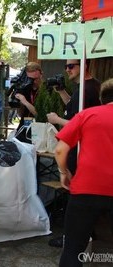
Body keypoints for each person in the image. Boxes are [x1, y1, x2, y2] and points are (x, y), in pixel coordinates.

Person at [55, 78, 113, 267]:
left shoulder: (87, 115)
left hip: (85, 190)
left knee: (73, 249)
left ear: (102, 98)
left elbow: (60, 150)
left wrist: (64, 172)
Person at [46, 59, 101, 248]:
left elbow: (82, 124)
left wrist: (56, 119)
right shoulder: (87, 88)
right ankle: (84, 236)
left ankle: (74, 238)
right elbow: (76, 109)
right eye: (66, 66)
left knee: (75, 196)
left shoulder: (86, 89)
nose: (67, 70)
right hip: (83, 151)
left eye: (71, 66)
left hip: (79, 151)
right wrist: (62, 92)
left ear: (84, 65)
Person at [15, 62, 42, 143]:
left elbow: (40, 115)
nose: (33, 81)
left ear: (41, 74)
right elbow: (20, 114)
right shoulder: (26, 89)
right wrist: (20, 104)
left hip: (38, 130)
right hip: (24, 127)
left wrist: (25, 102)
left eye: (35, 79)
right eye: (30, 79)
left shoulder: (45, 90)